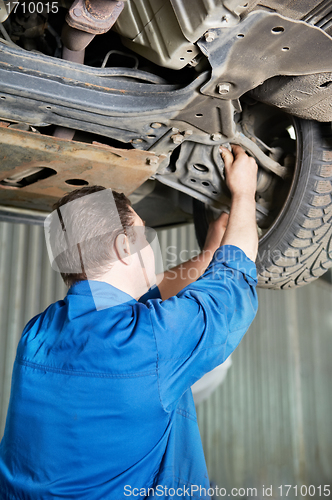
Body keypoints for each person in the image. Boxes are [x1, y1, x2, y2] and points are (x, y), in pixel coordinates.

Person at [0, 145, 258, 499]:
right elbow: (234, 276)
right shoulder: (148, 341)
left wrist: (208, 255)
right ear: (124, 247)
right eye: (143, 234)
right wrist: (245, 192)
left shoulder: (40, 333)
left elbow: (144, 305)